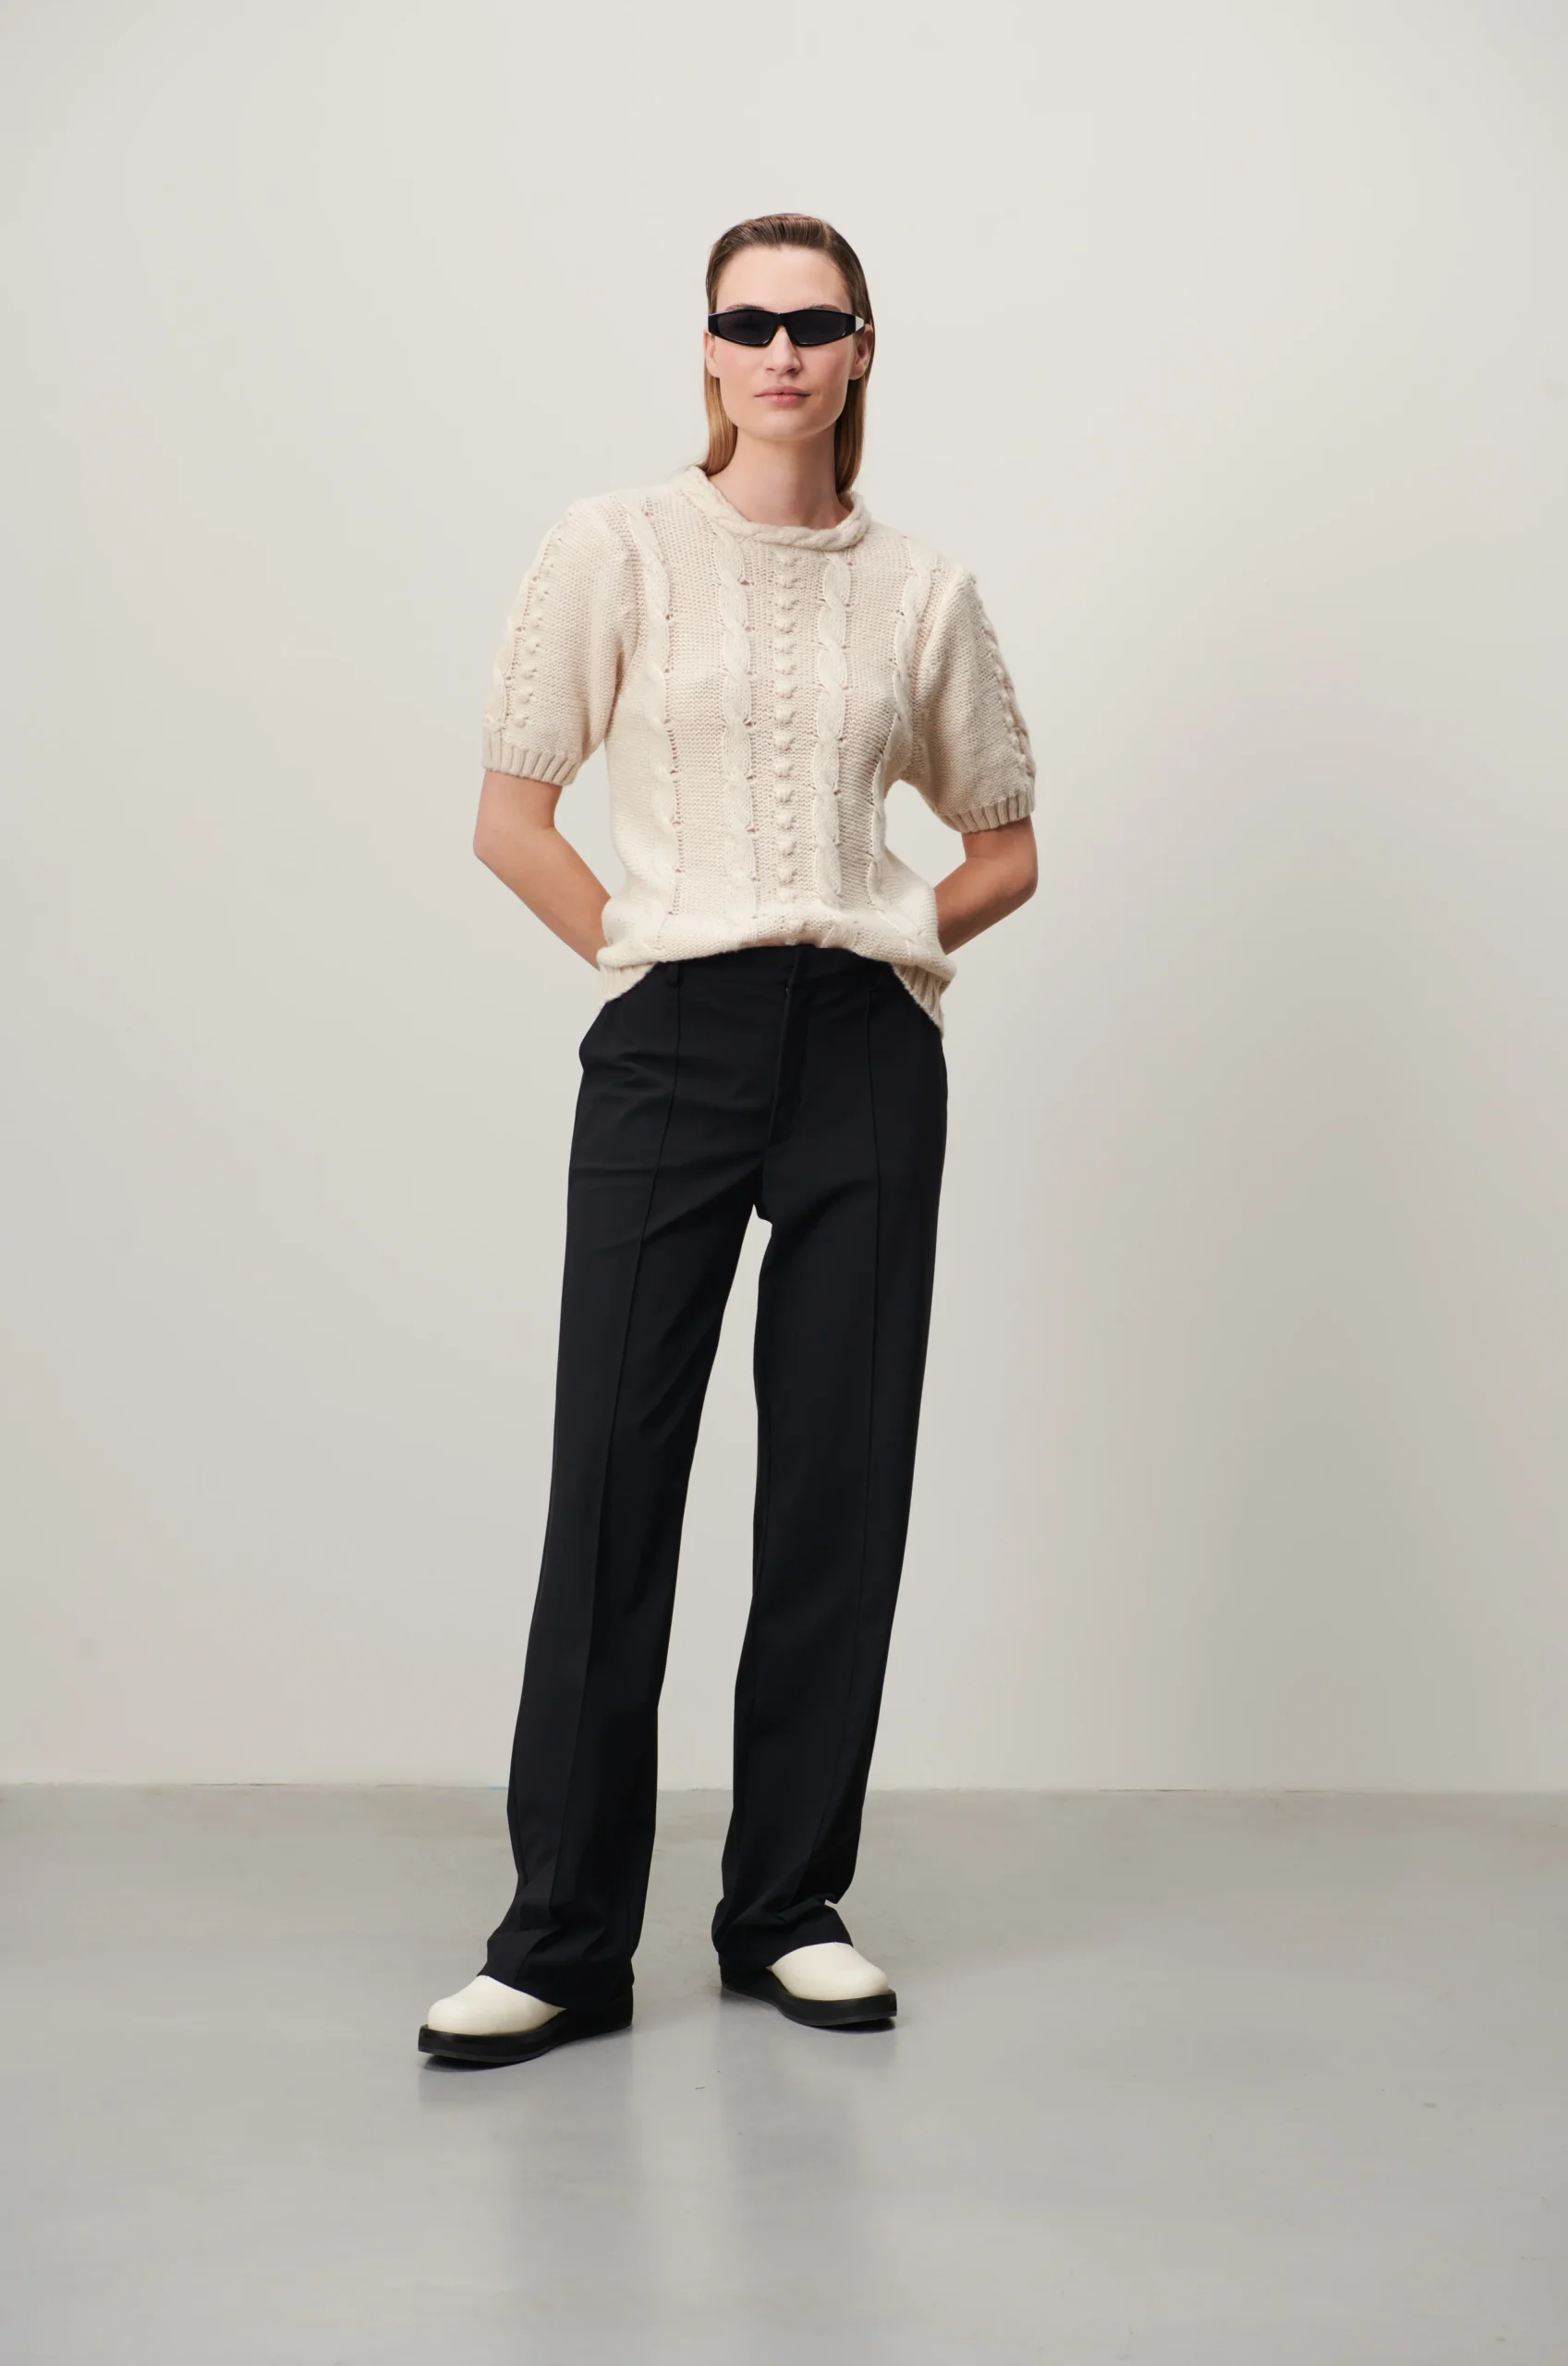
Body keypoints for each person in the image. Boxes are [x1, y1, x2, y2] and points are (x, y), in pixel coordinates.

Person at [419, 213, 1038, 2067]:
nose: (779, 350)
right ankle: (561, 1937)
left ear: (860, 351)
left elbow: (1004, 840)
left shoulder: (920, 590)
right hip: (671, 1039)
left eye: (813, 322)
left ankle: (786, 1908)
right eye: (746, 320)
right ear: (705, 348)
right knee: (614, 1469)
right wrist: (649, 945)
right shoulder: (612, 547)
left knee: (839, 1480)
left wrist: (891, 929)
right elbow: (511, 815)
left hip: (862, 1049)